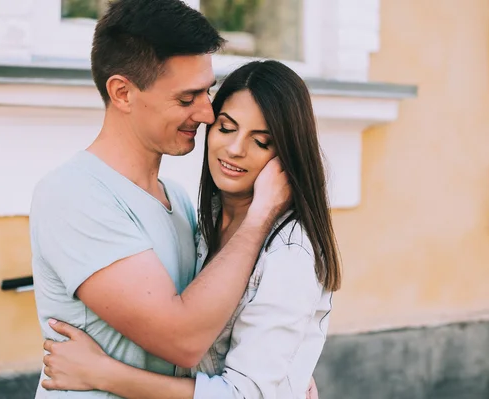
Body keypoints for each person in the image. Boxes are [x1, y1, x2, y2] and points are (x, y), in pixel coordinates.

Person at [29, 1, 293, 398]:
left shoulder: (179, 200)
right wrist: (260, 217)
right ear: (122, 93)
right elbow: (183, 342)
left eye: (207, 92)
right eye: (187, 99)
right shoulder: (74, 194)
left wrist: (285, 373)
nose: (206, 114)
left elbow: (216, 324)